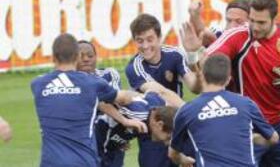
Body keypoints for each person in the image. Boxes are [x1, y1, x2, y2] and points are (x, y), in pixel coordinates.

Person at [182, 0, 280, 166]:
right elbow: (206, 41)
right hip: (245, 126)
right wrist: (194, 52)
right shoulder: (232, 37)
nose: (231, 25)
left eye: (238, 21)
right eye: (228, 20)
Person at [31, 33, 142, 167]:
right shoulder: (92, 84)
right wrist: (147, 96)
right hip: (83, 160)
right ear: (76, 56)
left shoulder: (37, 84)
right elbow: (121, 98)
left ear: (53, 57)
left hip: (50, 162)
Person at [166, 54, 279, 167]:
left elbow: (173, 153)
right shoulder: (246, 104)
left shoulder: (187, 111)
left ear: (202, 77)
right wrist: (251, 138)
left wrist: (183, 160)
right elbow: (273, 138)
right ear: (228, 79)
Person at [125, 13, 201, 167]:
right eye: (140, 41)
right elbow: (160, 93)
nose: (145, 46)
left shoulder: (175, 55)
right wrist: (191, 115)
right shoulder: (134, 67)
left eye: (150, 39)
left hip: (178, 125)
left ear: (159, 37)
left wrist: (193, 55)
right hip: (153, 133)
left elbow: (195, 87)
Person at [77, 40, 146, 167]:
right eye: (81, 56)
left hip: (111, 136)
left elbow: (115, 102)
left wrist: (121, 135)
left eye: (90, 55)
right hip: (85, 139)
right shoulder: (70, 82)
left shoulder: (109, 74)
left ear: (96, 57)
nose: (86, 59)